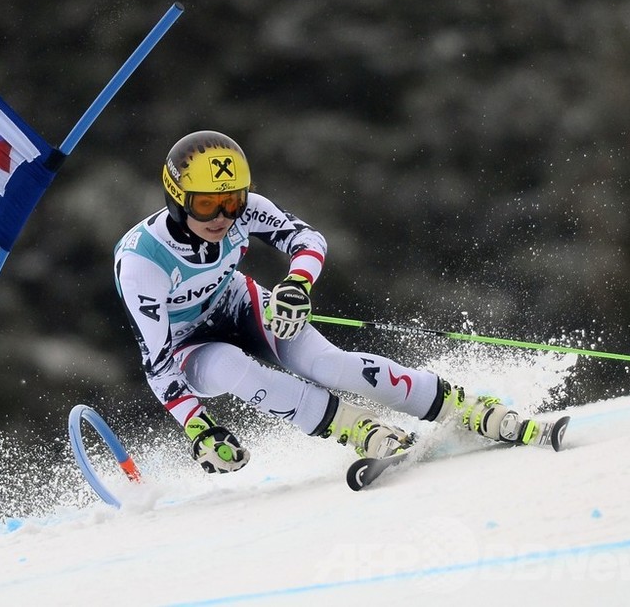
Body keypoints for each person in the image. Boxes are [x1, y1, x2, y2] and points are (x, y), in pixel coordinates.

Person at [113, 130, 551, 474]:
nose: (225, 217)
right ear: (176, 199)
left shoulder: (244, 211)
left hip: (237, 303)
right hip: (189, 346)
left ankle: (464, 407)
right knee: (230, 366)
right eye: (208, 205)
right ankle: (355, 428)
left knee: (328, 365)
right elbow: (158, 363)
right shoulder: (142, 263)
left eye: (232, 201)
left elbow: (306, 238)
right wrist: (198, 428)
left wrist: (297, 284)